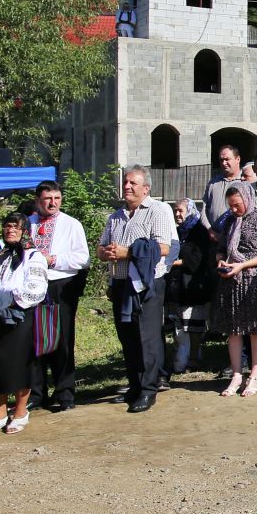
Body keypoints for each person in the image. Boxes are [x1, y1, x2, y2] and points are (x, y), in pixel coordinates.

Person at [98, 167, 178, 414]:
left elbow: (164, 247)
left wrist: (128, 252)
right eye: (125, 182)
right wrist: (107, 252)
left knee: (147, 338)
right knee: (128, 337)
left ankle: (148, 389)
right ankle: (134, 385)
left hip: (146, 284)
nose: (127, 186)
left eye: (133, 183)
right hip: (121, 284)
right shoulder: (116, 216)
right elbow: (100, 249)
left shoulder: (158, 210)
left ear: (146, 188)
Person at [0, 213, 48, 435]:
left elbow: (35, 288)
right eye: (7, 226)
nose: (11, 230)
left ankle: (20, 412)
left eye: (16, 227)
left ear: (25, 230)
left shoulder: (33, 256)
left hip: (20, 317)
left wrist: (7, 300)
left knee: (20, 364)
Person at [25, 181, 89, 412]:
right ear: (38, 201)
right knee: (34, 340)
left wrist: (54, 259)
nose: (53, 203)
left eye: (57, 198)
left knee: (61, 340)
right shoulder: (27, 224)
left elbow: (83, 259)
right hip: (32, 286)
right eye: (47, 199)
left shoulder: (71, 224)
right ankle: (35, 392)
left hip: (60, 285)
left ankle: (64, 391)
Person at [213, 181, 257, 397]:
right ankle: (237, 374)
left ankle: (255, 373)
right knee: (234, 329)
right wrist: (221, 261)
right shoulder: (230, 220)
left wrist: (243, 264)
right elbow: (221, 248)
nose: (234, 209)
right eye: (230, 205)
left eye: (237, 205)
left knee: (255, 329)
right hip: (231, 281)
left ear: (247, 200)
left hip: (253, 282)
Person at [164, 198, 216, 381]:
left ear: (190, 211)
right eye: (175, 211)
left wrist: (174, 262)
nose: (177, 214)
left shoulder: (199, 232)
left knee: (194, 325)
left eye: (180, 211)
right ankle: (180, 358)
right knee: (179, 326)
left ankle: (194, 358)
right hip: (177, 285)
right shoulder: (176, 231)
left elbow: (198, 260)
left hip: (195, 285)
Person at [204, 145, 245, 225]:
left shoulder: (245, 182)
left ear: (238, 159)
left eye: (227, 159)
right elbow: (204, 209)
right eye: (221, 160)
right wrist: (210, 230)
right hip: (213, 235)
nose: (223, 163)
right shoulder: (213, 183)